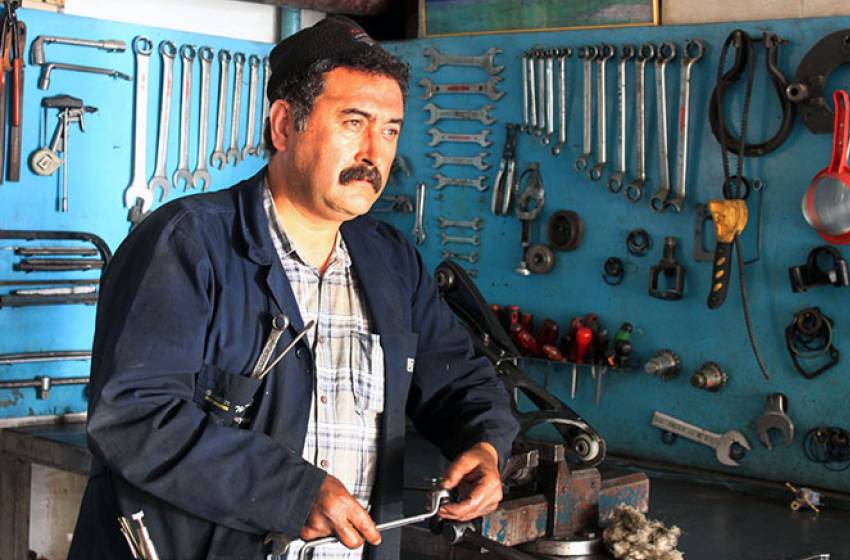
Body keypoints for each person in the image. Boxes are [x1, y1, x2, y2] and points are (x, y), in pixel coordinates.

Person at [68, 15, 519, 560]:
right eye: (354, 122)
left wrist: (486, 445)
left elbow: (456, 378)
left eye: (391, 129)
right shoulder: (187, 244)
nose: (374, 154)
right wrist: (292, 492)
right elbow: (133, 416)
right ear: (284, 126)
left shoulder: (389, 259)